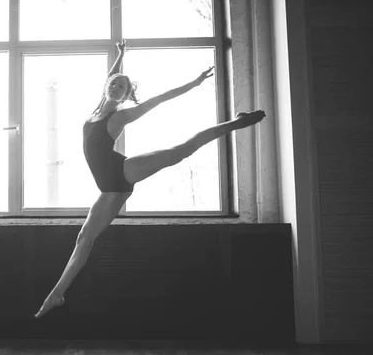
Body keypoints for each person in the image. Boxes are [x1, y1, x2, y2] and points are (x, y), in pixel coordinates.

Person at [34, 40, 265, 319]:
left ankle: (236, 123)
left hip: (120, 173)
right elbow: (112, 75)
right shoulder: (97, 110)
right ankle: (58, 294)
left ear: (125, 95)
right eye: (114, 82)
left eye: (122, 87)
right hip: (107, 188)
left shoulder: (121, 115)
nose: (115, 86)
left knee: (179, 151)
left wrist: (192, 84)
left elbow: (160, 99)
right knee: (83, 239)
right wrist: (120, 55)